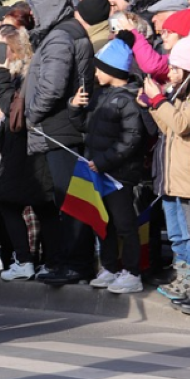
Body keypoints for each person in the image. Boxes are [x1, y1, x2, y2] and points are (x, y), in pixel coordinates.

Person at [24, 0, 97, 287]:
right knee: (71, 200)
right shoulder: (68, 32)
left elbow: (52, 87)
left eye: (35, 8)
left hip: (60, 128)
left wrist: (32, 114)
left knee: (71, 202)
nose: (33, 15)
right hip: (65, 125)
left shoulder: (59, 37)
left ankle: (75, 264)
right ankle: (72, 262)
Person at [144, 36, 190, 314]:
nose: (171, 72)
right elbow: (170, 128)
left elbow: (182, 123)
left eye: (175, 67)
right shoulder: (187, 92)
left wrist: (159, 99)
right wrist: (154, 105)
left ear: (189, 68)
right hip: (185, 174)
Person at [70, 39, 146, 294]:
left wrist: (102, 161)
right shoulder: (103, 96)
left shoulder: (127, 100)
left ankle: (133, 272)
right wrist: (74, 108)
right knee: (105, 223)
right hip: (100, 170)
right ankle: (110, 267)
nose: (95, 73)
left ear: (112, 70)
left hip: (119, 174)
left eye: (100, 68)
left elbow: (131, 139)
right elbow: (86, 127)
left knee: (124, 223)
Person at [0, 25, 53, 281]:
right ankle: (44, 261)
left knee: (13, 201)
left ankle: (27, 260)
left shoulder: (26, 73)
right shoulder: (19, 72)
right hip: (22, 147)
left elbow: (14, 110)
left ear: (13, 48)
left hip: (27, 148)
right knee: (38, 205)